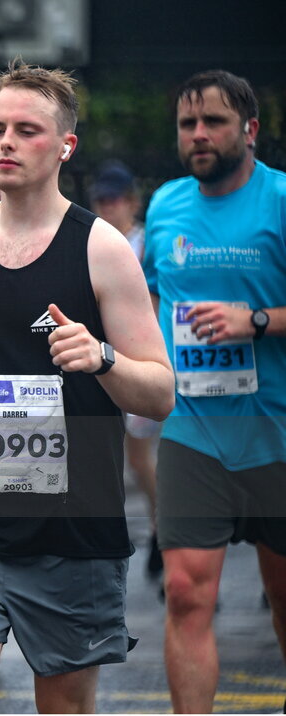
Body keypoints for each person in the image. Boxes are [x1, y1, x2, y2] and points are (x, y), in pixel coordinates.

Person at [0, 59, 174, 713]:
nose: (6, 143)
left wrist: (100, 357)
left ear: (64, 146)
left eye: (26, 130)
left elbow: (159, 392)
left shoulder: (101, 250)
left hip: (72, 529)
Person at [142, 69, 286, 713]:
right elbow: (146, 300)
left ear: (250, 131)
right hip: (192, 428)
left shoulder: (280, 200)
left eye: (215, 122)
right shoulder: (166, 205)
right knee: (185, 591)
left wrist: (253, 321)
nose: (198, 134)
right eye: (187, 124)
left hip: (275, 433)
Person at [88, 159, 163, 579]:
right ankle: (157, 524)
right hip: (108, 361)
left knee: (145, 453)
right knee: (132, 456)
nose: (107, 206)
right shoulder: (94, 241)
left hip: (144, 360)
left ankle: (163, 528)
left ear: (132, 202)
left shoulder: (146, 244)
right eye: (101, 199)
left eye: (114, 199)